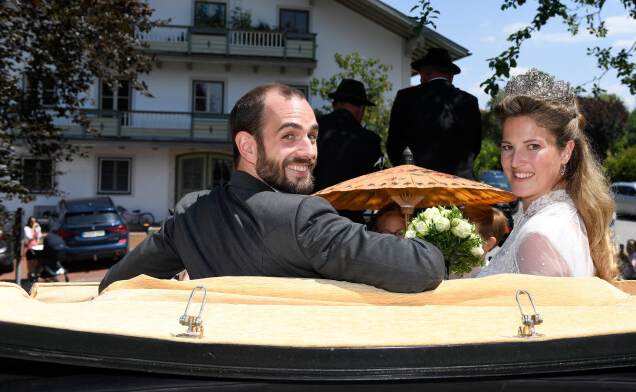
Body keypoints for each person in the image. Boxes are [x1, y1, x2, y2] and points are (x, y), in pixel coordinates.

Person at [99, 84, 445, 293]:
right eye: (289, 136)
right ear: (248, 147)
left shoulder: (189, 213)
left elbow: (113, 285)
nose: (308, 151)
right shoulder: (303, 217)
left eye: (312, 136)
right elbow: (423, 269)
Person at [476, 70, 618, 282]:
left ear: (566, 152)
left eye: (533, 146)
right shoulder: (564, 215)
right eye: (508, 147)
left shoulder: (538, 236)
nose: (515, 162)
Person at [386, 48, 481, 179]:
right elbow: (475, 147)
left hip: (417, 183)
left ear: (422, 74)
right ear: (451, 77)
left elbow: (394, 145)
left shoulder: (406, 97)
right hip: (460, 184)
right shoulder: (469, 102)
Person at [312, 79, 383, 193]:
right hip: (352, 208)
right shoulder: (370, 140)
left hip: (312, 205)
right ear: (361, 109)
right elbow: (379, 182)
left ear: (334, 105)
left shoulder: (312, 128)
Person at [451, 205, 509, 278]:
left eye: (467, 234)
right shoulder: (444, 266)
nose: (457, 238)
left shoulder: (490, 277)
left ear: (489, 243)